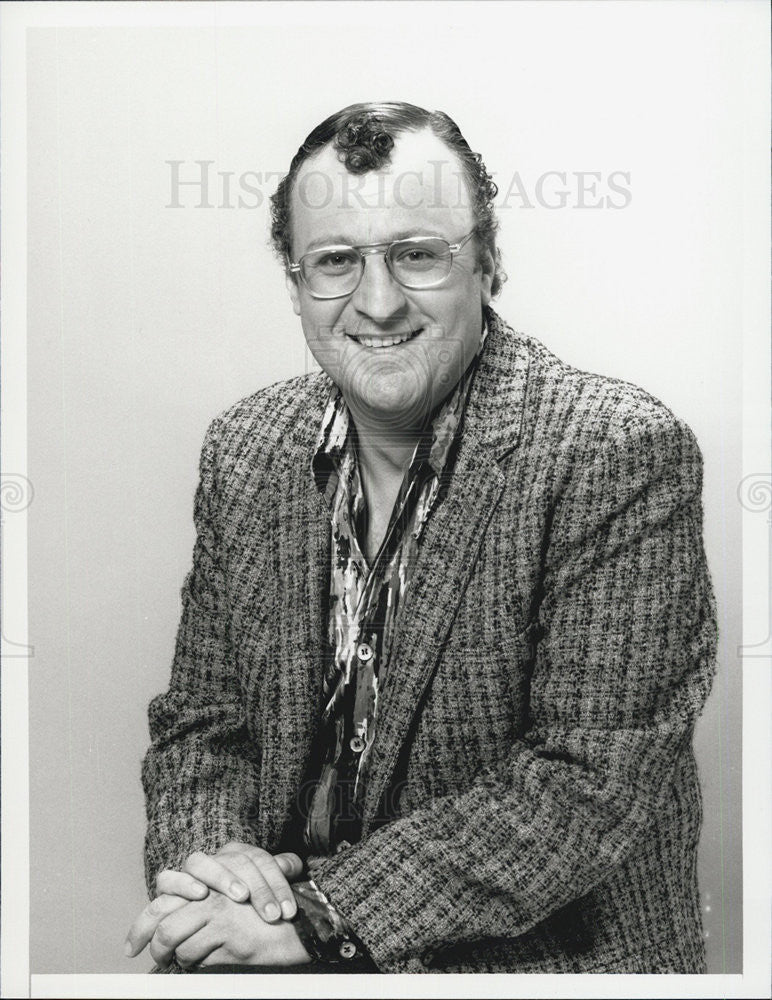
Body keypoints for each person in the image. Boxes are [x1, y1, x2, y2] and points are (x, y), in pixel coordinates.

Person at [125, 101, 718, 974]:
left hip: (534, 969)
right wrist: (219, 872)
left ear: (488, 263)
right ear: (297, 281)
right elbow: (202, 725)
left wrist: (317, 919)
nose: (376, 301)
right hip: (273, 950)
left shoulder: (614, 451)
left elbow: (584, 781)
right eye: (336, 261)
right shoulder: (246, 450)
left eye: (416, 254)